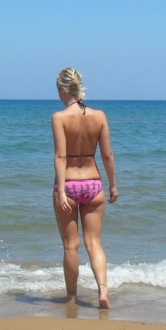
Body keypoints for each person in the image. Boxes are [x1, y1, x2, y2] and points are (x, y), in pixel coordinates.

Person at [52, 67, 118, 309]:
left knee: (71, 245)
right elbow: (108, 155)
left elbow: (60, 156)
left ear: (62, 89)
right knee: (94, 242)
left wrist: (60, 191)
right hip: (93, 183)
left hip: (68, 184)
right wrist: (113, 184)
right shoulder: (99, 116)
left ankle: (71, 297)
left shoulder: (59, 118)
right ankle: (102, 291)